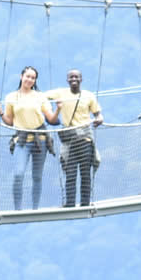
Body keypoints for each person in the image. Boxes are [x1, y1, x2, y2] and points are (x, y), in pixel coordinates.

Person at [0, 66, 58, 210]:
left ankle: (35, 208)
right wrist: (0, 113)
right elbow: (10, 121)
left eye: (33, 78)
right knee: (18, 174)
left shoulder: (40, 96)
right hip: (22, 140)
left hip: (40, 140)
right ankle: (17, 209)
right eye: (28, 76)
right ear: (21, 76)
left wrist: (59, 109)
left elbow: (50, 118)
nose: (30, 80)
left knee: (37, 177)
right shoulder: (11, 97)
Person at [51, 68, 105, 207]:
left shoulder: (89, 96)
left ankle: (85, 203)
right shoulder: (61, 93)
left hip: (85, 139)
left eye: (76, 77)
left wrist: (99, 119)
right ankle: (70, 203)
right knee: (70, 173)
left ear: (81, 79)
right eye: (71, 77)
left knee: (85, 172)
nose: (73, 79)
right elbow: (40, 97)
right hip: (70, 141)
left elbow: (98, 113)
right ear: (67, 80)